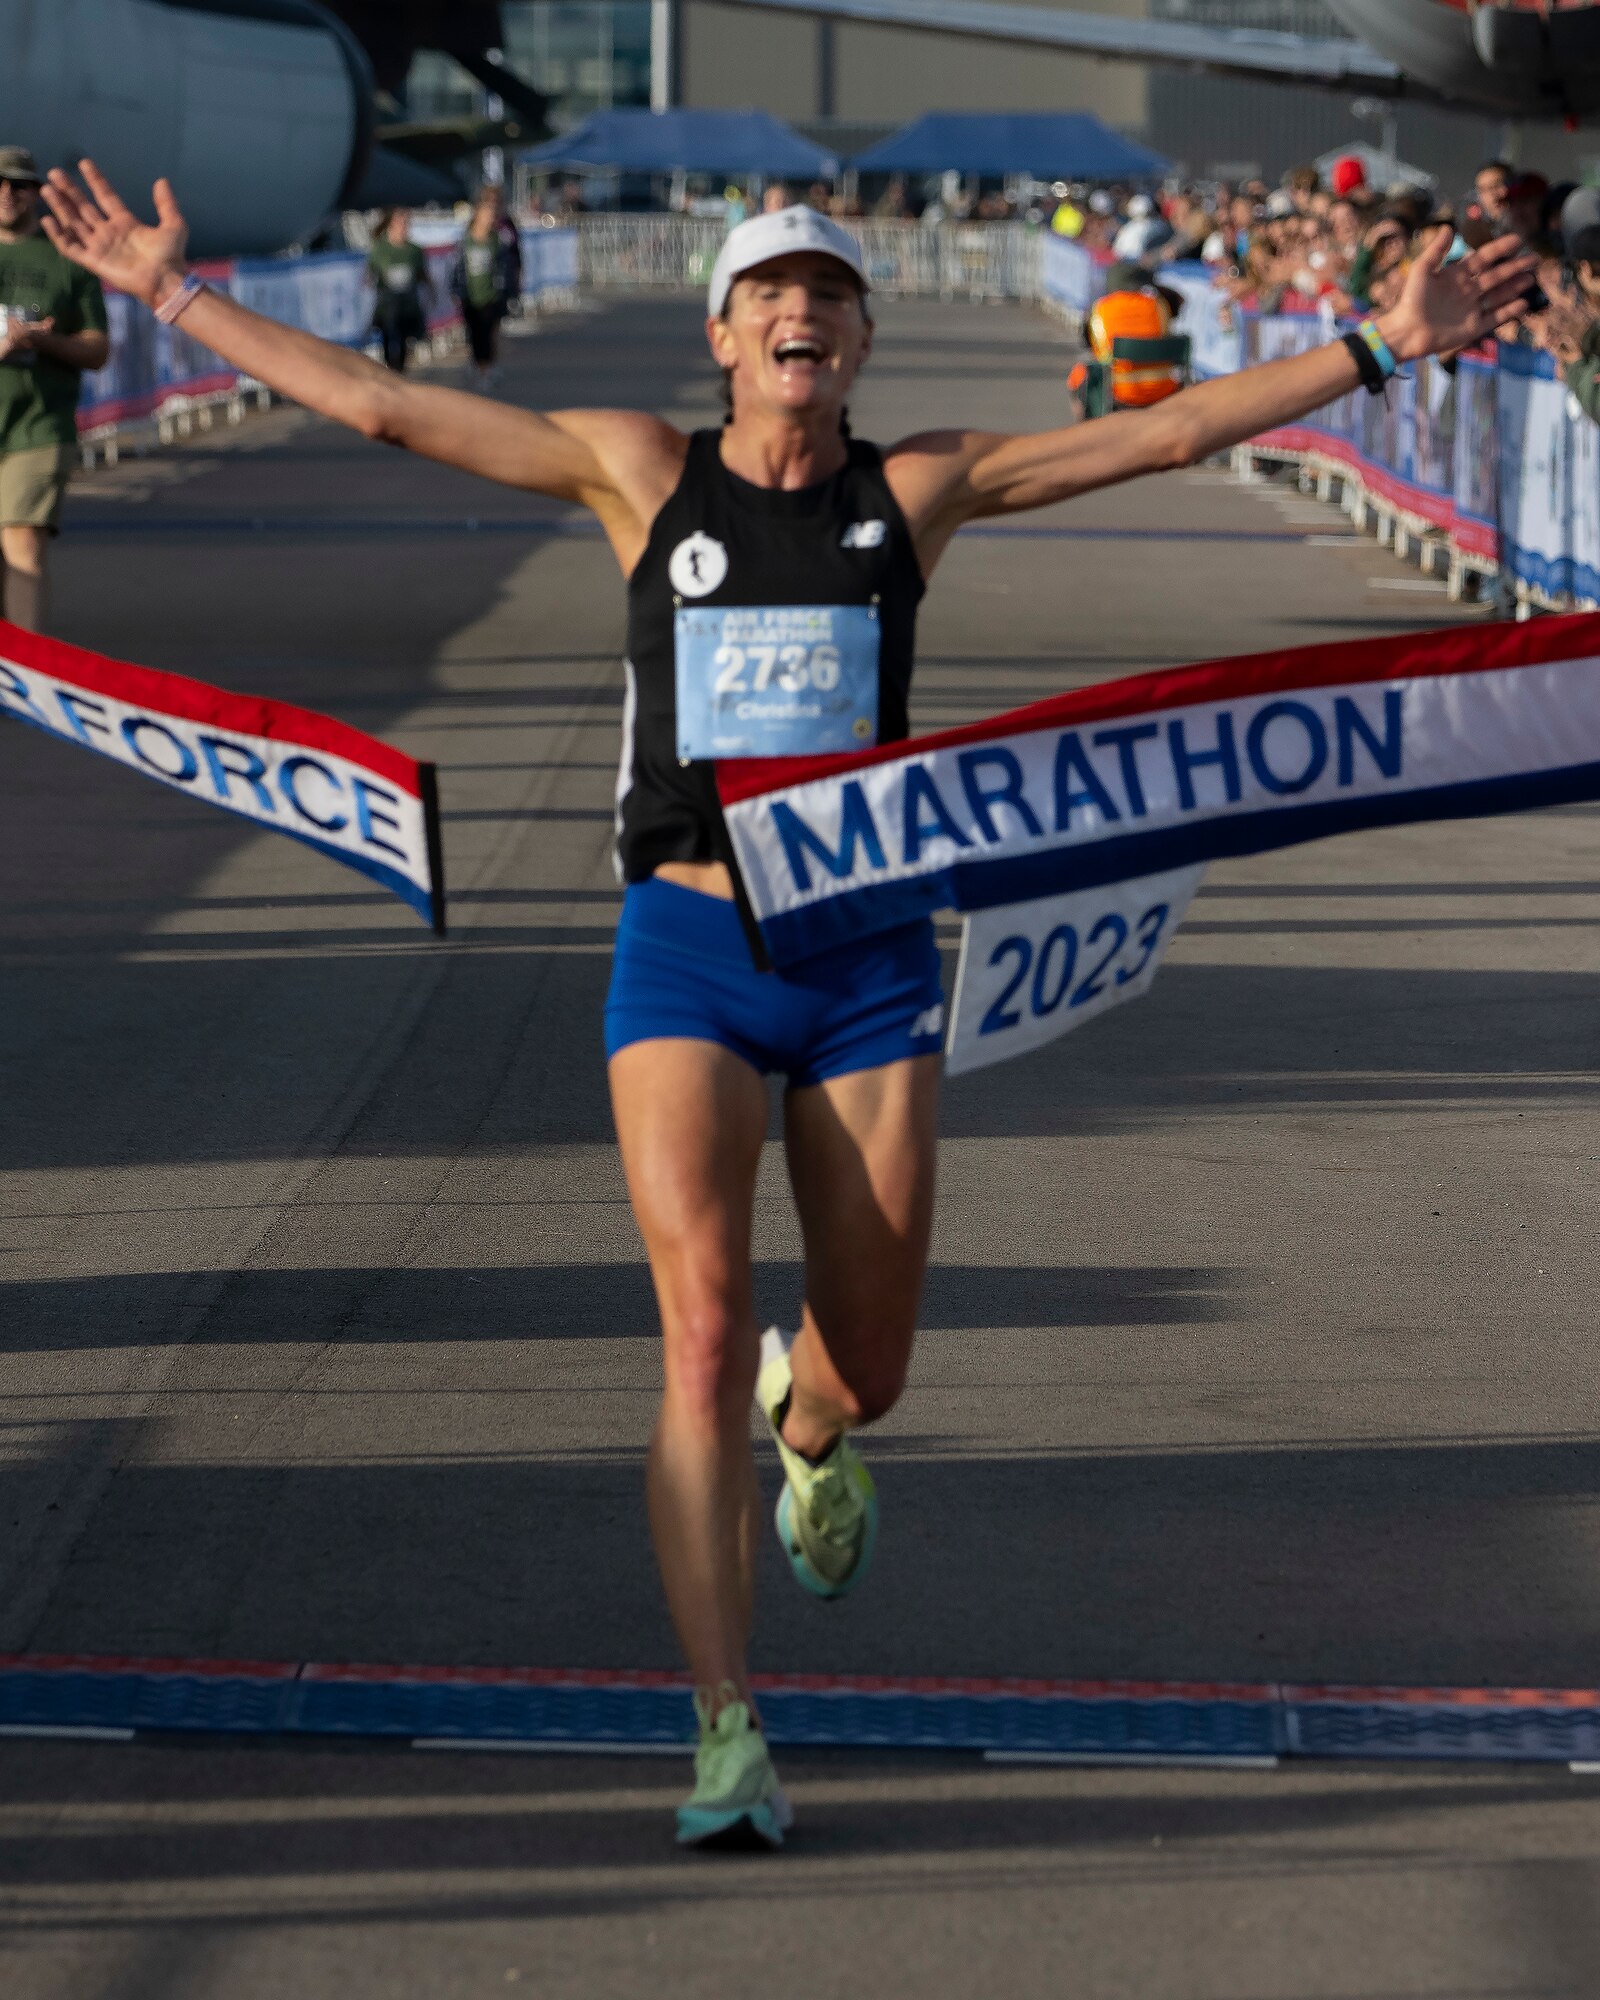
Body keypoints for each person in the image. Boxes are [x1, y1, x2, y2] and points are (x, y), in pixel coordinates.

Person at [39, 158, 1538, 1852]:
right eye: (771, 295)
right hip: (682, 948)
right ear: (724, 339)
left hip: (868, 955)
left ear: (860, 336)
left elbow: (1164, 434)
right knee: (688, 1328)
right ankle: (727, 1729)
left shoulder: (916, 493)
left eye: (826, 293)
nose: (801, 312)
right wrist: (171, 296)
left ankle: (808, 1414)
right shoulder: (635, 475)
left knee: (874, 1362)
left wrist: (1373, 344)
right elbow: (387, 404)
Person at [0, 145, 108, 634]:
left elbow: (97, 347)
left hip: (37, 426)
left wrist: (46, 341)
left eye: (19, 185)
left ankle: (28, 688)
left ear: (37, 193)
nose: (7, 194)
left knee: (22, 545)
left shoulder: (66, 261)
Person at [451, 187, 516, 387]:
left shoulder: (498, 240)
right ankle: (478, 362)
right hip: (470, 294)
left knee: (490, 332)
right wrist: (456, 290)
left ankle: (486, 367)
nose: (489, 219)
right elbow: (457, 268)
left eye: (491, 215)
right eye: (485, 214)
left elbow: (509, 263)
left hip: (492, 294)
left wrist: (509, 290)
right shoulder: (465, 241)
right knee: (474, 332)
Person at [366, 207, 430, 373]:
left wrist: (432, 291)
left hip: (408, 304)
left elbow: (422, 274)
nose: (403, 225)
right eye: (399, 221)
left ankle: (399, 371)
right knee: (388, 336)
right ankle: (390, 368)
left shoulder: (414, 250)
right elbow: (370, 272)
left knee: (404, 339)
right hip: (387, 305)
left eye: (406, 222)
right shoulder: (380, 249)